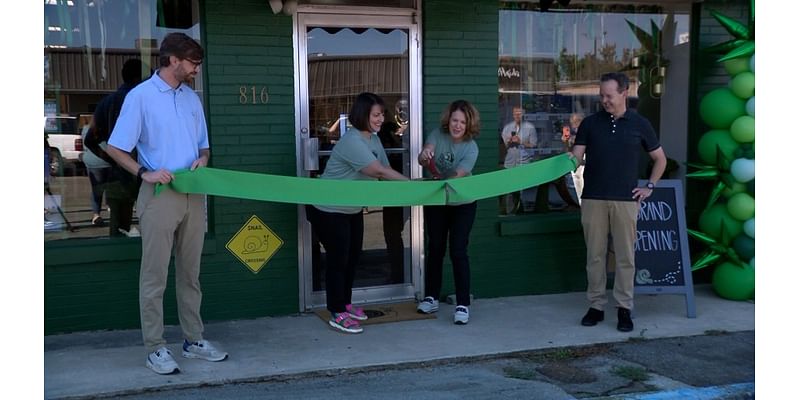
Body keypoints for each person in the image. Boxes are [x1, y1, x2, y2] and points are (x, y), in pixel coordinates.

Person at [106, 33, 228, 375]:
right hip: (159, 196)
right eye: (193, 63)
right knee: (155, 275)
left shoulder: (191, 99)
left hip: (194, 192)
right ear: (173, 60)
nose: (196, 70)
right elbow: (115, 147)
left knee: (191, 274)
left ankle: (193, 340)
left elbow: (204, 147)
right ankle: (155, 348)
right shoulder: (141, 97)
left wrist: (203, 161)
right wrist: (143, 172)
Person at [570, 72, 667, 333]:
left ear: (624, 92)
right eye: (601, 95)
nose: (604, 100)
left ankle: (624, 308)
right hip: (592, 198)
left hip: (626, 200)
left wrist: (649, 187)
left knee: (625, 257)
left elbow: (660, 159)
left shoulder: (640, 123)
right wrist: (565, 160)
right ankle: (596, 306)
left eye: (609, 96)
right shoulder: (590, 123)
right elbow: (576, 158)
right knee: (595, 256)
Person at [305, 92, 409, 334]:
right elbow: (378, 171)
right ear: (363, 115)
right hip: (330, 210)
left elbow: (385, 168)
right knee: (337, 261)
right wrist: (414, 186)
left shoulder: (373, 139)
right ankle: (336, 312)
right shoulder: (352, 141)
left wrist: (412, 187)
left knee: (353, 258)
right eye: (376, 114)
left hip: (352, 208)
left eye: (382, 114)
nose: (381, 118)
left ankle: (346, 304)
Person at [416, 100, 480, 325]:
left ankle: (462, 304)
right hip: (437, 201)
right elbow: (425, 154)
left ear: (468, 124)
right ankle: (431, 297)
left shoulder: (471, 147)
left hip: (463, 202)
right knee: (435, 248)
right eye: (455, 120)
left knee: (458, 251)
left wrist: (439, 175)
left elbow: (457, 174)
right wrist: (424, 155)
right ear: (448, 119)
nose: (458, 125)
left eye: (462, 122)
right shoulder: (437, 134)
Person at [84, 58, 145, 237]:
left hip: (119, 176)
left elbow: (90, 139)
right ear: (139, 78)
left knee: (119, 231)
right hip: (145, 175)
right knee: (154, 229)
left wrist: (114, 159)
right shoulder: (142, 100)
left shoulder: (107, 103)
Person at [377, 120, 409, 284]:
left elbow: (382, 171)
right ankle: (398, 273)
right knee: (392, 233)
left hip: (398, 193)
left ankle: (398, 274)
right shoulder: (376, 142)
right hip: (393, 192)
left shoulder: (395, 147)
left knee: (392, 233)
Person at [500, 106, 537, 215]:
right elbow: (502, 147)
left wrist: (521, 142)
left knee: (520, 188)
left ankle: (520, 210)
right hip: (510, 162)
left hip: (524, 162)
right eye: (515, 113)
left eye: (519, 113)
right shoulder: (507, 127)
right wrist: (508, 142)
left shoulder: (530, 127)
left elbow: (534, 145)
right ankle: (509, 210)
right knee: (508, 187)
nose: (517, 116)